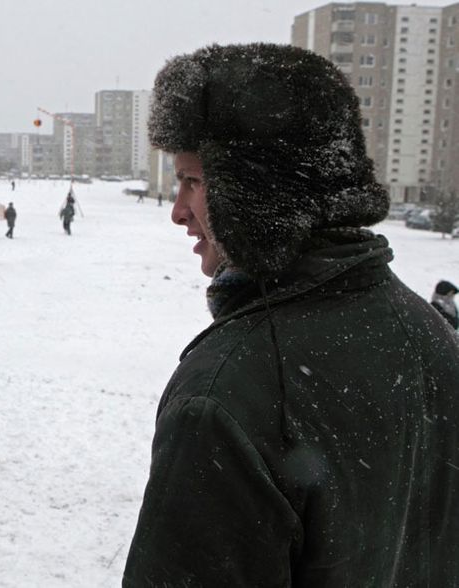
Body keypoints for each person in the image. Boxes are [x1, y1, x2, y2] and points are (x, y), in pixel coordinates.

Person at [124, 43, 459, 587]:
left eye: (192, 182)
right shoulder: (430, 333)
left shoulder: (229, 392)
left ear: (253, 193)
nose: (177, 211)